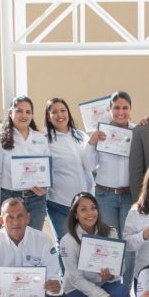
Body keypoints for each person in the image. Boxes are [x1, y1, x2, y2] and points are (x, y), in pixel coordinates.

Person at [60, 192, 128, 297]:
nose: (90, 213)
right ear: (75, 215)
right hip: (75, 290)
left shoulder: (110, 232)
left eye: (93, 208)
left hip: (102, 283)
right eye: (83, 209)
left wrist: (111, 275)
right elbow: (76, 279)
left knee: (123, 293)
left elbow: (122, 267)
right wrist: (104, 296)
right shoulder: (67, 241)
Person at [0, 95, 50, 231]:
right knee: (11, 241)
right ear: (10, 113)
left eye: (28, 112)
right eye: (19, 111)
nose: (24, 115)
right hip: (9, 198)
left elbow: (46, 171)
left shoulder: (41, 139)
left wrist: (44, 188)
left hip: (36, 200)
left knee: (34, 240)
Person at [83, 90, 136, 234]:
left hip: (128, 196)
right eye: (116, 108)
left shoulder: (137, 132)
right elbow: (89, 165)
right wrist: (91, 143)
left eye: (125, 108)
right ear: (109, 109)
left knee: (129, 239)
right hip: (104, 196)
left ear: (130, 109)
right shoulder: (100, 133)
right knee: (109, 241)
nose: (121, 112)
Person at [44, 97, 92, 243]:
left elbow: (91, 165)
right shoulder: (45, 141)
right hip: (59, 203)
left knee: (86, 243)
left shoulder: (82, 136)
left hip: (85, 203)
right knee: (64, 243)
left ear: (69, 113)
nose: (60, 115)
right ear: (48, 116)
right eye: (54, 112)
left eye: (63, 110)